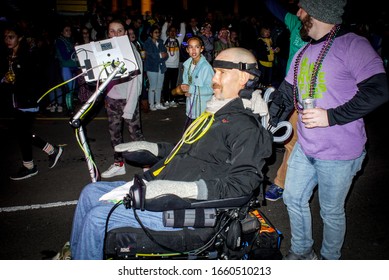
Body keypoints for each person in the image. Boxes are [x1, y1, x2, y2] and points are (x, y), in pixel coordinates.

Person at [69, 47, 273, 259]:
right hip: (163, 186)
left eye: (221, 72)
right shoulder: (217, 112)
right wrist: (153, 148)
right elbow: (185, 149)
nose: (214, 78)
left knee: (97, 218)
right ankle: (76, 256)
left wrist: (182, 190)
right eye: (215, 71)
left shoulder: (246, 127)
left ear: (243, 77)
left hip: (186, 208)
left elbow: (242, 185)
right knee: (89, 193)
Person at [268, 0, 389, 260]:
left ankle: (328, 261)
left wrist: (331, 116)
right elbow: (286, 95)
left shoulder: (352, 44)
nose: (297, 14)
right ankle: (301, 253)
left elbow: (379, 90)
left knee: (331, 212)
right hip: (306, 146)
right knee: (292, 198)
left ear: (318, 12)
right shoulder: (303, 53)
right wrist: (264, 117)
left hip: (340, 152)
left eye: (302, 9)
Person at [1, 23, 63, 180]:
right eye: (5, 37)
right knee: (22, 132)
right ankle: (51, 151)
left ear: (19, 38)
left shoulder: (26, 56)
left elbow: (33, 79)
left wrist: (15, 80)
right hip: (16, 101)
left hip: (27, 101)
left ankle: (30, 166)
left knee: (22, 133)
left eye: (11, 37)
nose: (7, 40)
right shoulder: (9, 56)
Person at [262, 0, 307, 201]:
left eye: (303, 8)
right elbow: (274, 6)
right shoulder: (297, 24)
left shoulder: (332, 36)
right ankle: (281, 181)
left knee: (299, 142)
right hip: (290, 92)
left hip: (312, 97)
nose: (297, 12)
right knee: (288, 138)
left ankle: (286, 182)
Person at [100, 20, 145, 179]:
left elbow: (137, 82)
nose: (116, 34)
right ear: (108, 33)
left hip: (128, 100)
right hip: (112, 99)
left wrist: (130, 106)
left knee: (135, 136)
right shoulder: (106, 50)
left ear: (125, 33)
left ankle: (147, 166)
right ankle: (119, 164)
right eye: (112, 31)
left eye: (120, 31)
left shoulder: (132, 51)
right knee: (115, 135)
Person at [176, 36, 214, 129]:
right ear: (187, 50)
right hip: (191, 108)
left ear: (201, 49)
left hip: (202, 110)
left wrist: (191, 89)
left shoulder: (206, 67)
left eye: (197, 47)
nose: (193, 50)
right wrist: (186, 91)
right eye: (190, 47)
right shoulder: (187, 64)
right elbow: (187, 82)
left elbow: (211, 89)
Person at [161, 19, 186, 108]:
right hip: (166, 66)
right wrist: (167, 22)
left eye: (174, 31)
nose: (172, 32)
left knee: (174, 84)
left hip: (175, 66)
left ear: (176, 32)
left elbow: (183, 32)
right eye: (171, 31)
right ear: (168, 32)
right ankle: (166, 100)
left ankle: (172, 99)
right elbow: (163, 31)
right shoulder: (165, 39)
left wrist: (182, 23)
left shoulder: (178, 40)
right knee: (166, 84)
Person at [143, 25, 169, 111]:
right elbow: (150, 55)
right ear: (151, 33)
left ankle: (158, 103)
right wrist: (160, 55)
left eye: (159, 32)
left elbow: (166, 55)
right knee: (153, 86)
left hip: (161, 67)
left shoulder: (160, 42)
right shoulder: (147, 43)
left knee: (159, 86)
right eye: (156, 32)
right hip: (151, 67)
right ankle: (151, 104)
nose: (158, 34)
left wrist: (161, 56)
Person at [54, 23, 78, 115]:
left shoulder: (69, 40)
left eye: (69, 30)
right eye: (66, 30)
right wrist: (74, 48)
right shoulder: (60, 41)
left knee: (71, 88)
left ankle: (70, 107)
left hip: (72, 67)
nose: (69, 32)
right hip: (66, 67)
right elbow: (65, 56)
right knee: (69, 89)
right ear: (62, 32)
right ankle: (69, 110)